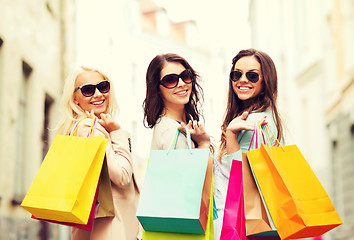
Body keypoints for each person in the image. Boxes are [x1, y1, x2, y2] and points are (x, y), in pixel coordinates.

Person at [56, 66, 141, 240]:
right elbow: (122, 176)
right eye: (88, 90)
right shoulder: (90, 127)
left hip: (100, 224)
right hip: (111, 226)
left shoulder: (80, 127)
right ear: (75, 98)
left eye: (103, 86)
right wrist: (117, 132)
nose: (98, 94)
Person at [213, 48, 284, 239]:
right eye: (237, 74)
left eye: (252, 76)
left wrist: (230, 135)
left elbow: (242, 179)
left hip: (248, 226)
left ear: (266, 80)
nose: (242, 80)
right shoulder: (256, 117)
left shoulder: (258, 121)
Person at [142, 53, 212, 238]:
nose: (181, 83)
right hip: (182, 230)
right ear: (157, 89)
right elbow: (192, 187)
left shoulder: (177, 126)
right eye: (171, 80)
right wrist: (204, 144)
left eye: (186, 76)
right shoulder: (170, 130)